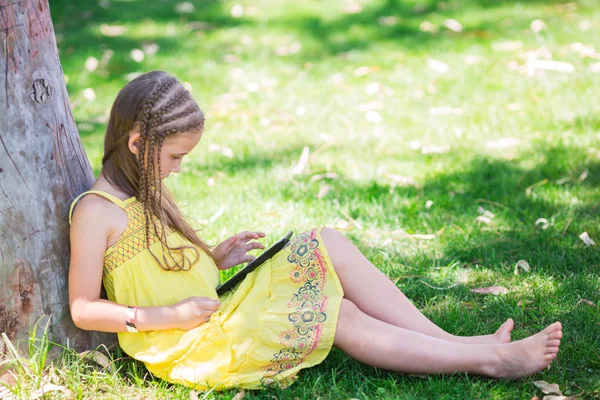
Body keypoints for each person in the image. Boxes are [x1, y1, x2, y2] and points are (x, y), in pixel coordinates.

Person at [68, 71, 562, 392]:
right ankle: (488, 363)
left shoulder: (146, 193)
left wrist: (215, 259)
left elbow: (158, 266)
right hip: (193, 344)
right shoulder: (96, 211)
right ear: (136, 142)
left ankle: (460, 342)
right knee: (335, 312)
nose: (177, 169)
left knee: (327, 241)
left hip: (214, 312)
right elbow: (83, 309)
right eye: (175, 156)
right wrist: (166, 313)